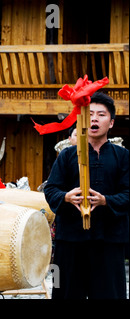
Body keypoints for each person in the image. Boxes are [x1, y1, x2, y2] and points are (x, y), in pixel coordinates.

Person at [44, 92, 129, 299]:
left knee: (110, 295)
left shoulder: (123, 156)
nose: (94, 119)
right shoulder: (67, 155)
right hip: (70, 240)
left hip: (109, 240)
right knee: (65, 293)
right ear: (82, 119)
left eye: (101, 114)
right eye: (90, 114)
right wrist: (66, 197)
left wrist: (106, 200)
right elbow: (51, 189)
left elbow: (128, 193)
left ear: (111, 122)